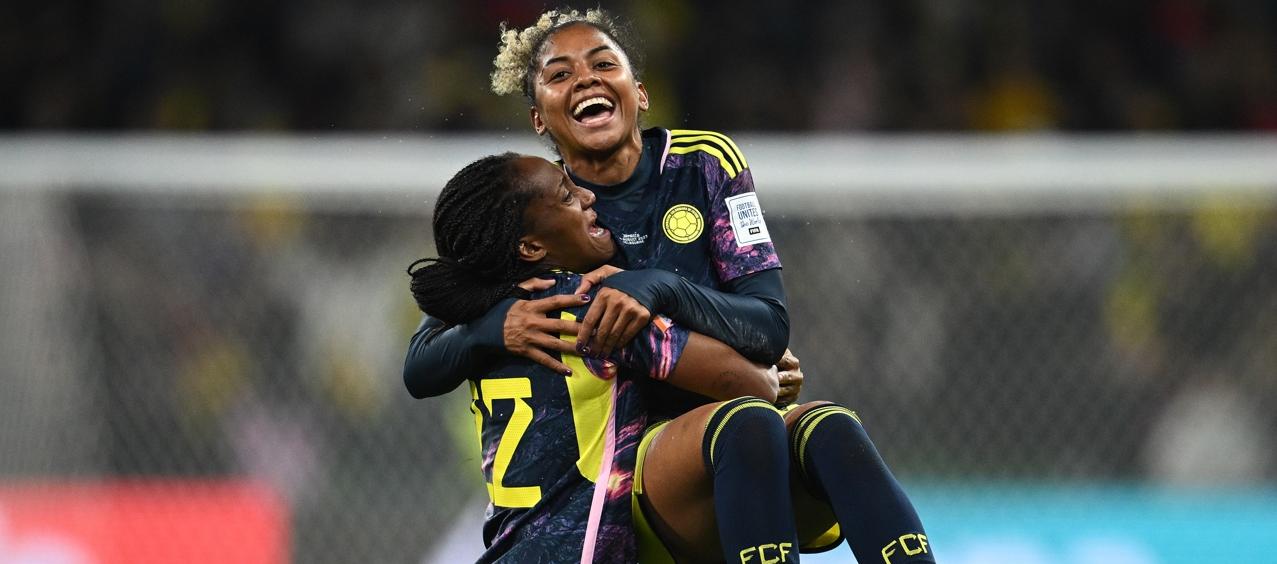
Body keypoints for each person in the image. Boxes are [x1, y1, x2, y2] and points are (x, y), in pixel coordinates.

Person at [405, 8, 933, 563]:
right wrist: (497, 325)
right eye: (559, 74)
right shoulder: (533, 214)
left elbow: (769, 324)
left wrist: (662, 287)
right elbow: (424, 357)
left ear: (641, 91)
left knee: (831, 428)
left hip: (714, 430)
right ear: (539, 118)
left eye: (603, 63)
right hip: (631, 463)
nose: (585, 78)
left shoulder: (703, 164)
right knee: (747, 419)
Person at [409, 152, 798, 562]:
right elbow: (749, 385)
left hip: (510, 550)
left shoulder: (486, 310)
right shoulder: (595, 309)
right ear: (530, 246)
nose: (588, 197)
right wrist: (770, 373)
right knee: (757, 422)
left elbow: (418, 367)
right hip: (578, 553)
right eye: (566, 196)